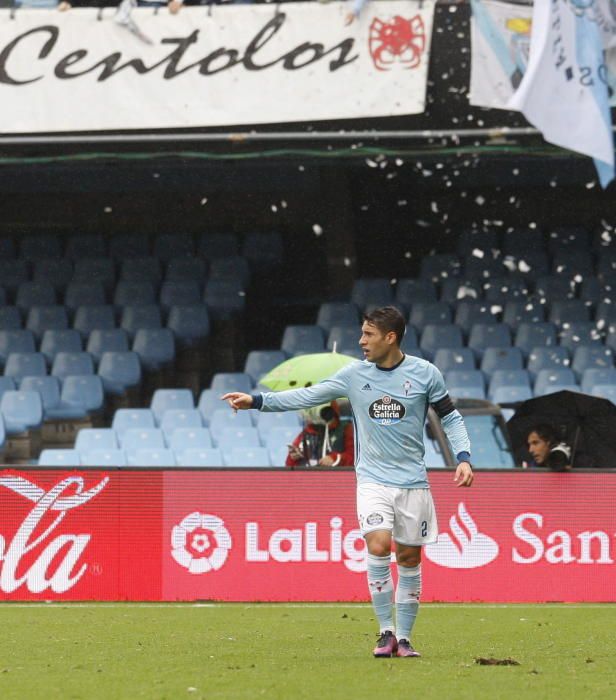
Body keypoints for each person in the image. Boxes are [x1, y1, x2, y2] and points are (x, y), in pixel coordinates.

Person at [223, 306, 473, 659]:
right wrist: (257, 401)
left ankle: (404, 638)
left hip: (414, 482)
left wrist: (463, 457)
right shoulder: (354, 374)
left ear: (390, 337)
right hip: (372, 480)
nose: (361, 341)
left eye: (369, 334)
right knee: (379, 544)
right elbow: (308, 396)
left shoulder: (425, 374)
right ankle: (385, 631)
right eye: (362, 333)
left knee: (409, 556)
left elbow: (450, 417)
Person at [286, 401, 354, 468]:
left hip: (339, 477)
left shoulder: (346, 429)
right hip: (310, 477)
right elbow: (289, 467)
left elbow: (355, 458)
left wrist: (335, 459)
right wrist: (294, 457)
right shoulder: (305, 434)